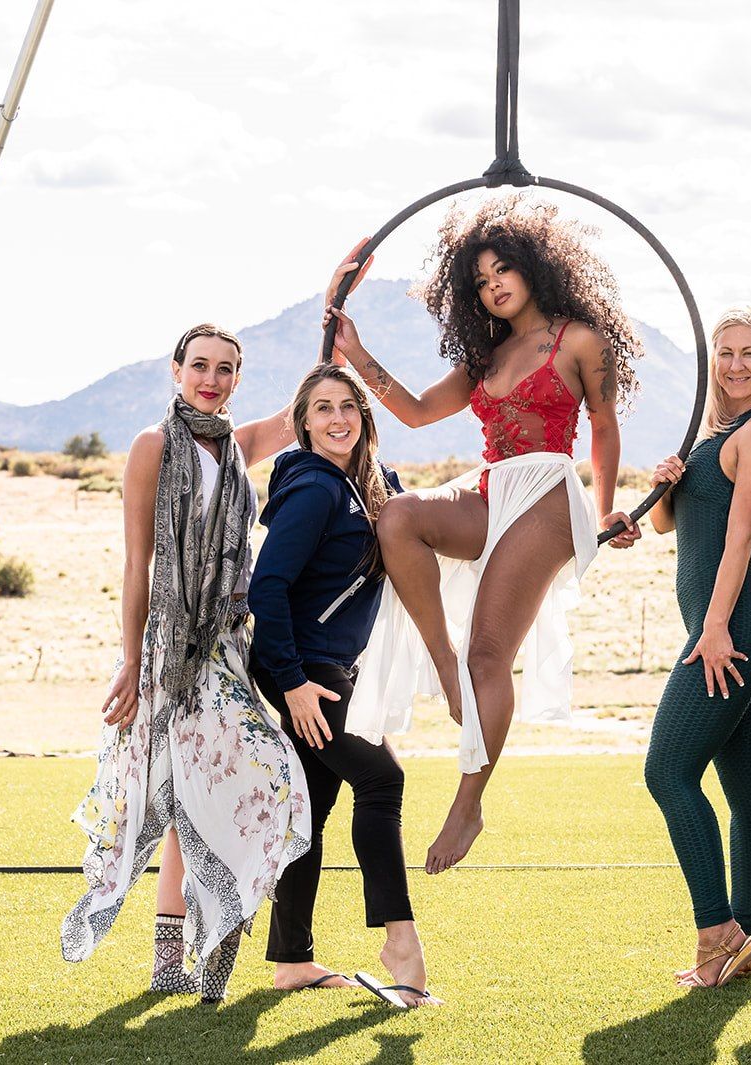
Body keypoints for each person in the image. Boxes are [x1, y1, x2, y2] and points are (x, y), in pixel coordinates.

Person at [322, 196, 645, 874]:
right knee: (399, 517)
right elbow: (411, 413)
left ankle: (469, 800)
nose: (494, 285)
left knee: (492, 654)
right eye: (480, 281)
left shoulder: (578, 338)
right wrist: (355, 352)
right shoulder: (484, 355)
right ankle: (442, 657)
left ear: (534, 267)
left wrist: (609, 509)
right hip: (494, 484)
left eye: (504, 270)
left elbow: (606, 426)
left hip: (550, 491)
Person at [62, 324, 312, 1004]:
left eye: (225, 368)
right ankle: (171, 960)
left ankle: (220, 933)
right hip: (170, 647)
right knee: (176, 800)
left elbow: (307, 407)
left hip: (230, 644)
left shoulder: (238, 445)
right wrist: (130, 659)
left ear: (238, 377)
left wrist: (334, 315)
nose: (212, 377)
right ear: (175, 369)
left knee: (260, 775)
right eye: (199, 365)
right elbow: (137, 563)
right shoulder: (152, 446)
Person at [247, 362, 442, 1010]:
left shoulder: (371, 485)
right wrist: (293, 684)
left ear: (364, 416)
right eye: (323, 408)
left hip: (336, 670)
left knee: (311, 805)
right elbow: (266, 586)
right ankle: (399, 944)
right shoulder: (313, 488)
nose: (337, 418)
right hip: (305, 671)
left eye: (348, 406)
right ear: (303, 421)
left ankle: (293, 960)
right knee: (382, 779)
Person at [643, 305, 751, 989]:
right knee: (747, 789)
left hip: (733, 630)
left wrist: (714, 626)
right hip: (732, 627)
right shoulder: (720, 433)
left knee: (667, 771)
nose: (734, 364)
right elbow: (669, 527)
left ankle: (717, 931)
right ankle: (748, 943)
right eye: (725, 351)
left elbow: (740, 539)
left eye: (749, 353)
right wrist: (667, 485)